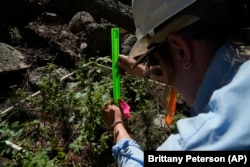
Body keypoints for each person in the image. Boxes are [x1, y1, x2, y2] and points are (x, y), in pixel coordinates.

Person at [102, 0, 250, 166]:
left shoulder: (202, 143)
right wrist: (146, 72)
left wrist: (117, 125)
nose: (158, 67)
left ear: (181, 49)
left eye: (155, 58)